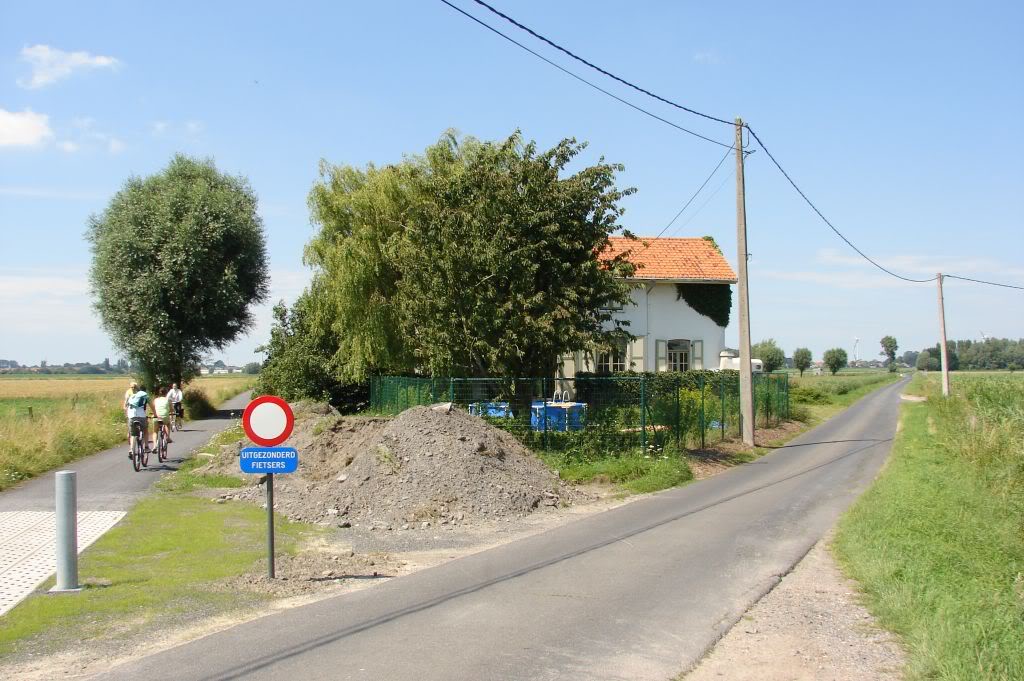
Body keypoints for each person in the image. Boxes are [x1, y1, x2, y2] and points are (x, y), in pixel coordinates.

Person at [125, 383, 150, 456]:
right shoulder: (143, 395)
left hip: (132, 417)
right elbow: (149, 406)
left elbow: (126, 406)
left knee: (133, 434)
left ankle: (131, 450)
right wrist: (155, 414)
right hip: (141, 416)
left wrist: (127, 414)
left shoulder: (130, 396)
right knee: (145, 430)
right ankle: (146, 447)